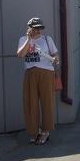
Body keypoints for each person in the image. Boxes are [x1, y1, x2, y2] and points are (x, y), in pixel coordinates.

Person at [17, 17, 59, 145]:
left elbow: (55, 55)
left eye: (40, 28)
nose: (39, 31)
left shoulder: (47, 39)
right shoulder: (23, 40)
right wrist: (29, 40)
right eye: (36, 28)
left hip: (46, 72)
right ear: (29, 28)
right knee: (30, 103)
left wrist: (55, 59)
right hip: (30, 73)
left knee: (47, 102)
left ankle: (46, 131)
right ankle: (34, 131)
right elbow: (20, 54)